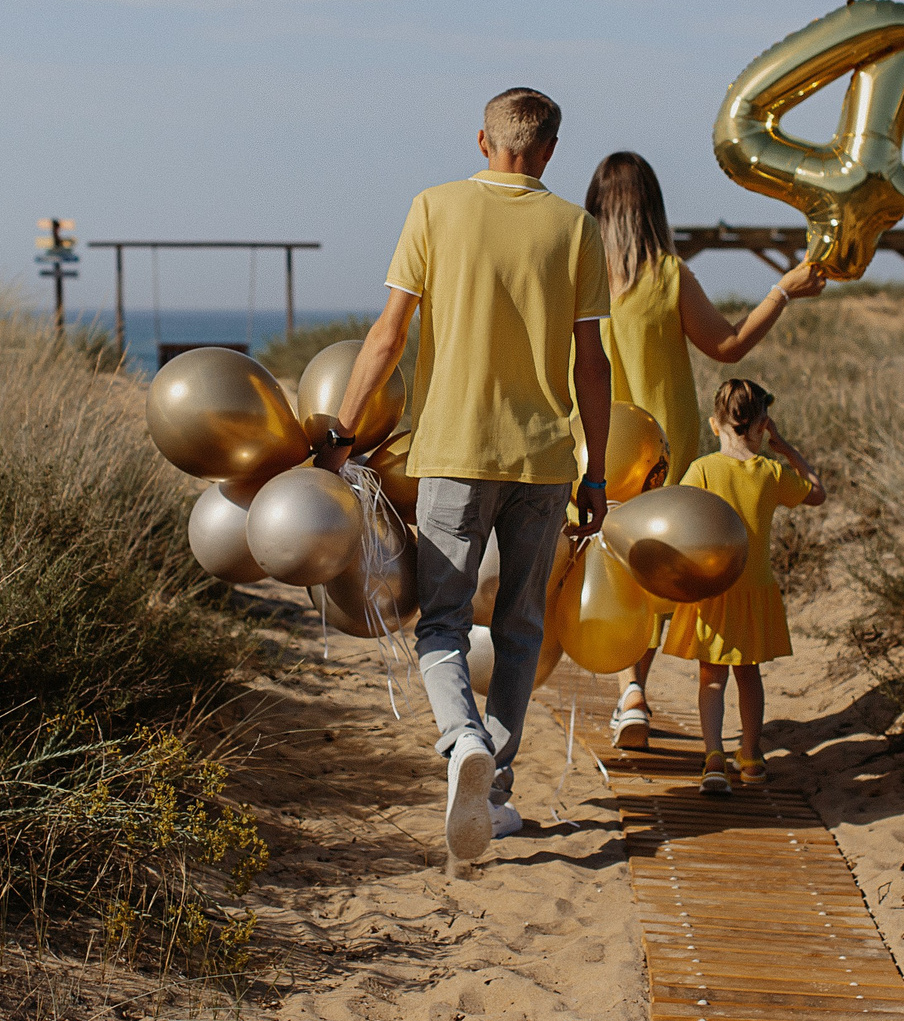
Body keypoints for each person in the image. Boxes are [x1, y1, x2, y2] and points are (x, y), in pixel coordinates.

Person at [318, 88, 613, 869]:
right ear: (549, 150)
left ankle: (462, 742)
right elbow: (593, 363)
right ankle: (497, 790)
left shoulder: (435, 208)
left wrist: (342, 432)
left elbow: (387, 336)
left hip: (452, 451)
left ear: (483, 139)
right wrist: (599, 470)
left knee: (443, 621)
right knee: (520, 626)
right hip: (546, 460)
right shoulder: (575, 228)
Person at [582, 151, 824, 750]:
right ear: (654, 209)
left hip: (594, 444)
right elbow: (729, 345)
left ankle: (629, 697)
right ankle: (637, 692)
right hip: (666, 451)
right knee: (657, 564)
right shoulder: (668, 276)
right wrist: (782, 291)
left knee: (609, 564)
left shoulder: (575, 276)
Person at [663, 378, 822, 795]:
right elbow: (818, 493)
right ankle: (751, 756)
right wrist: (784, 447)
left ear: (714, 424)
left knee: (711, 677)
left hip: (713, 587)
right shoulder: (771, 472)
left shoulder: (701, 469)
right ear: (761, 425)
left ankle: (714, 756)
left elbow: (679, 519)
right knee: (748, 675)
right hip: (755, 589)